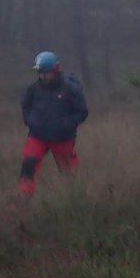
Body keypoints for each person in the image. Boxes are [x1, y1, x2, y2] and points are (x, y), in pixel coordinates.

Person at [19, 51, 89, 196]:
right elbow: (25, 106)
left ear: (56, 70)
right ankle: (25, 198)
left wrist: (66, 124)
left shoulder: (71, 89)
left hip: (62, 138)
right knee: (28, 164)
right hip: (37, 136)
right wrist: (30, 121)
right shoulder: (33, 89)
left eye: (46, 72)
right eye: (40, 72)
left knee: (68, 171)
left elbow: (82, 112)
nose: (42, 76)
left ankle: (73, 197)